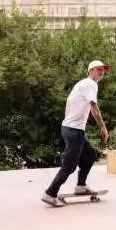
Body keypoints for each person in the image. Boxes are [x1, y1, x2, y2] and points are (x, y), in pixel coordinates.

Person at [41, 60, 110, 207]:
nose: (101, 71)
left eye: (103, 69)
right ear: (90, 71)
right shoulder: (91, 84)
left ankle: (81, 186)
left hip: (70, 129)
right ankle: (50, 193)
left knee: (90, 154)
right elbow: (94, 108)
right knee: (70, 165)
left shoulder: (82, 84)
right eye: (98, 69)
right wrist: (103, 128)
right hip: (74, 130)